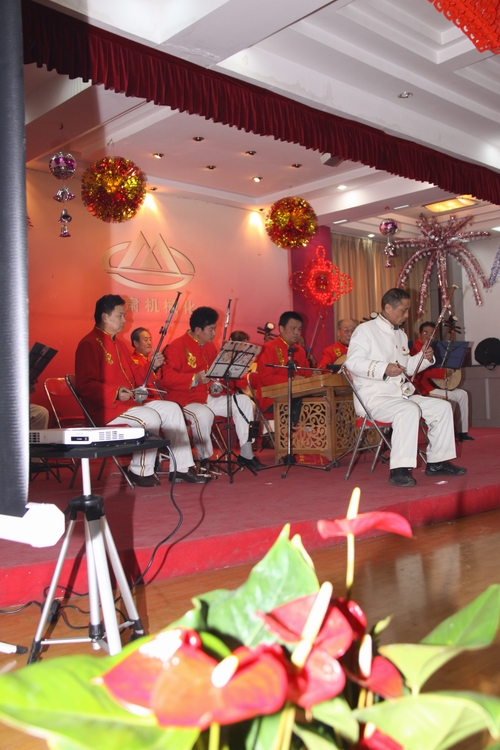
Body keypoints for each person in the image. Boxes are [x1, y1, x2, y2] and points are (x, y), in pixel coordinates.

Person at [75, 295, 208, 487]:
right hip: (107, 409)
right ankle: (139, 470)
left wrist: (153, 366)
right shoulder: (89, 343)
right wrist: (115, 392)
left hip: (128, 404)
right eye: (120, 315)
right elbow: (85, 385)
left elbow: (137, 376)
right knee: (150, 416)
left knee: (171, 408)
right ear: (105, 316)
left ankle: (181, 467)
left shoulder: (119, 344)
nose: (124, 320)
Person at [345, 288, 466, 487]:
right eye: (404, 310)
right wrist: (384, 368)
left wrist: (423, 358)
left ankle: (437, 462)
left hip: (399, 396)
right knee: (408, 410)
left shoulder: (400, 334)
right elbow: (353, 363)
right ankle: (399, 470)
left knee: (442, 407)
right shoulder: (365, 330)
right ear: (388, 308)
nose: (407, 315)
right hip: (374, 398)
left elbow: (407, 368)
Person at [158, 306, 260, 472]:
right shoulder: (176, 346)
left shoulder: (210, 346)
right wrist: (194, 378)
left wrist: (224, 373)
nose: (214, 333)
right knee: (203, 414)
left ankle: (246, 453)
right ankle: (204, 459)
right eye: (211, 329)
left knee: (244, 401)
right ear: (198, 330)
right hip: (184, 400)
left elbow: (216, 374)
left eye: (215, 329)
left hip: (208, 397)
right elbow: (166, 379)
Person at [410, 322, 473, 442]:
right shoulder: (415, 348)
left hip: (435, 384)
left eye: (431, 334)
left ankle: (462, 431)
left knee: (462, 394)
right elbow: (418, 371)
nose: (428, 336)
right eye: (425, 333)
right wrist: (442, 373)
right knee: (452, 397)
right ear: (419, 334)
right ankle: (447, 431)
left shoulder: (436, 347)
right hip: (423, 387)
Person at [256, 311, 311, 413]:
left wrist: (313, 375)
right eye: (293, 328)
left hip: (297, 395)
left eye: (299, 329)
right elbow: (266, 378)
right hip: (271, 399)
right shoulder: (267, 348)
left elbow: (306, 373)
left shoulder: (300, 351)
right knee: (305, 405)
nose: (297, 332)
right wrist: (292, 380)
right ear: (281, 328)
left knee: (320, 401)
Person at [129, 327, 164, 393]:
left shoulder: (151, 358)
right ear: (136, 343)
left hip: (158, 395)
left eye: (150, 339)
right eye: (145, 340)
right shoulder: (131, 360)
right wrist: (153, 366)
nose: (149, 343)